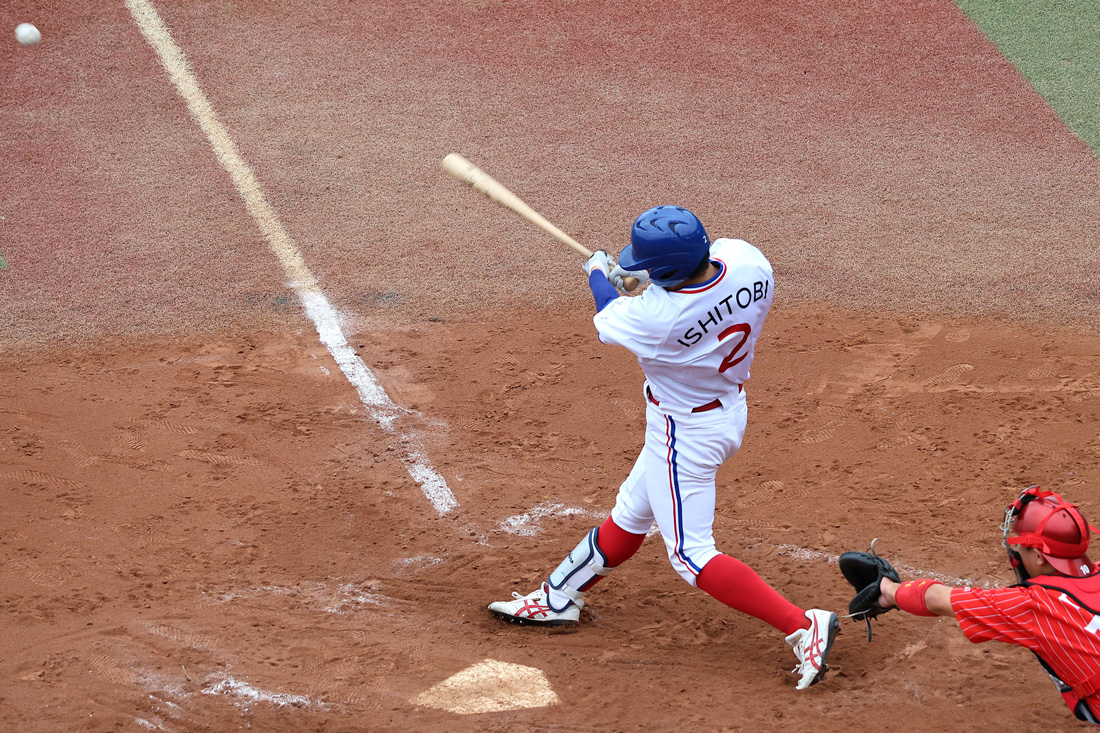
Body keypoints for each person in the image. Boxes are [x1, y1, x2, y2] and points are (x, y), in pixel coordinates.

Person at [487, 205, 839, 690]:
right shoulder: (749, 262)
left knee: (691, 555)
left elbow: (608, 313)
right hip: (727, 409)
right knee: (634, 510)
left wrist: (598, 271)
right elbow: (694, 289)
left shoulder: (655, 320)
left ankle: (803, 626)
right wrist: (643, 282)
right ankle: (558, 597)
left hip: (684, 434)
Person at [875, 486, 1100, 723]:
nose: (1017, 553)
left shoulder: (1033, 604)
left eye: (1020, 546)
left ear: (1039, 556)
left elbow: (935, 599)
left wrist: (888, 591)